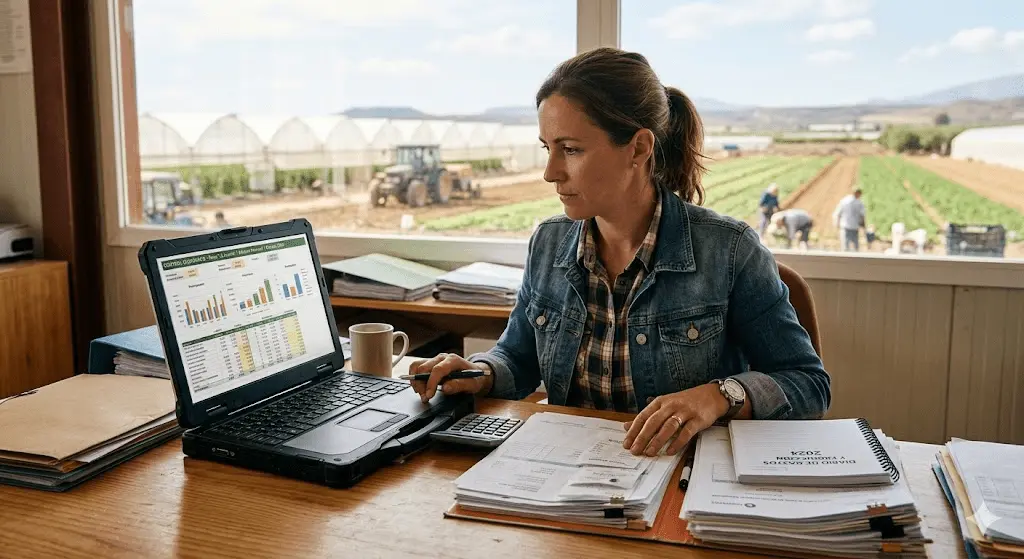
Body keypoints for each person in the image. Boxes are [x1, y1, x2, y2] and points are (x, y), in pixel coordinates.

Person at [408, 47, 830, 458]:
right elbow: (517, 358)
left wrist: (719, 396)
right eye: (547, 148)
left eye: (570, 149)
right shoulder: (548, 243)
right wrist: (479, 373)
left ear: (639, 148)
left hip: (681, 488)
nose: (550, 172)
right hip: (565, 478)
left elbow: (809, 385)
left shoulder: (730, 250)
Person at [833, 186, 866, 251]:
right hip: (853, 227)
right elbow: (862, 216)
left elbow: (838, 213)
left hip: (845, 226)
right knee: (855, 247)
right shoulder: (859, 203)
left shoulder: (844, 200)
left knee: (845, 247)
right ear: (858, 193)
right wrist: (864, 226)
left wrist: (837, 224)